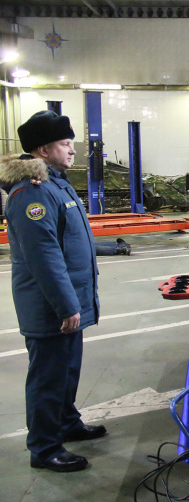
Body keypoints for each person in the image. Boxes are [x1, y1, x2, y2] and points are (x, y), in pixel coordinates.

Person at [0, 110, 106, 473]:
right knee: (48, 377)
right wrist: (66, 305)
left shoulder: (56, 184)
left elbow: (73, 240)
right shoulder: (31, 192)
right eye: (65, 143)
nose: (73, 149)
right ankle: (44, 448)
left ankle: (65, 423)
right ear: (43, 150)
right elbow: (43, 257)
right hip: (50, 307)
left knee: (66, 370)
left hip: (69, 301)